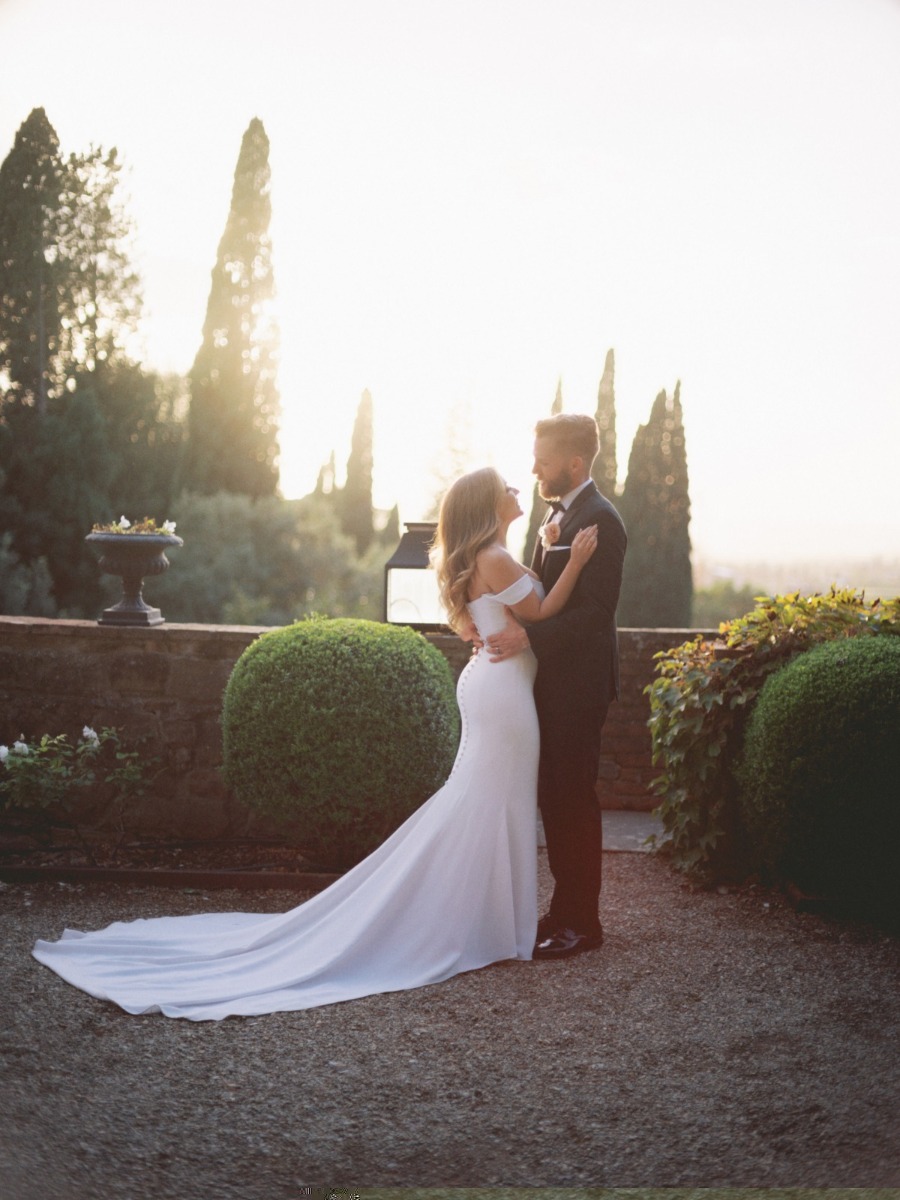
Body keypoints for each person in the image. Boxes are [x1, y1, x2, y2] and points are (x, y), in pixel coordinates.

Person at [32, 467, 596, 1021]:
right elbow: (545, 612)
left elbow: (524, 609)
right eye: (506, 488)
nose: (518, 490)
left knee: (481, 802)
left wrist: (549, 552)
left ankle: (478, 920)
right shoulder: (494, 558)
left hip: (494, 686)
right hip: (503, 695)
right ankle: (472, 924)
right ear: (485, 504)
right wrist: (575, 561)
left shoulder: (487, 557)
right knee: (485, 802)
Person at [484, 413, 627, 959]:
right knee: (553, 796)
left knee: (573, 799)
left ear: (573, 462)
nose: (535, 469)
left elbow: (595, 613)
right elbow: (544, 592)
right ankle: (562, 909)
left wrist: (527, 642)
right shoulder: (558, 515)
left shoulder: (602, 520)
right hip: (552, 683)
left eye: (543, 461)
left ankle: (582, 922)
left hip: (580, 686)